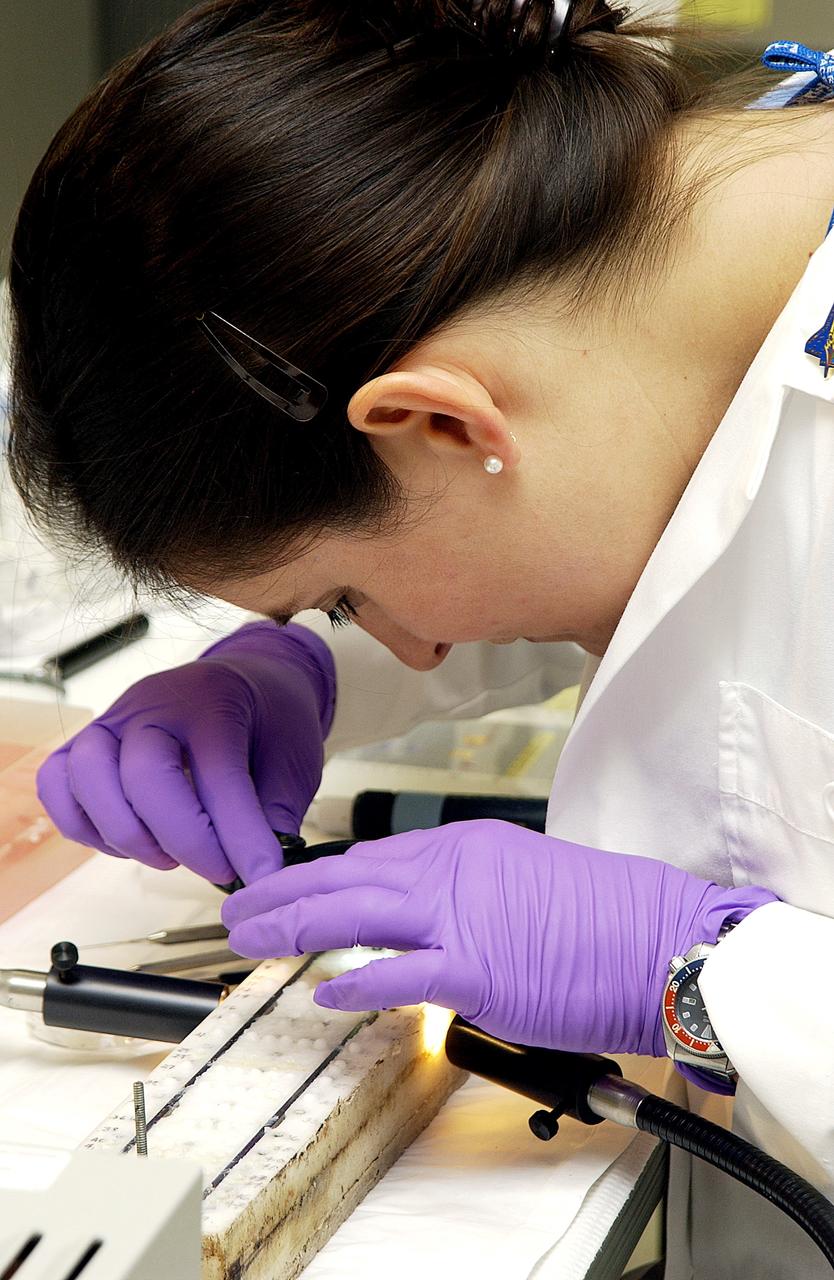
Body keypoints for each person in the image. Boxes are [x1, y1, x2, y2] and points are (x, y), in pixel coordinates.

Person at [6, 0, 834, 1273]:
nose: (416, 647)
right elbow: (672, 536)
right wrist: (293, 671)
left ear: (440, 424)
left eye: (340, 597)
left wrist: (715, 979)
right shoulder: (672, 256)